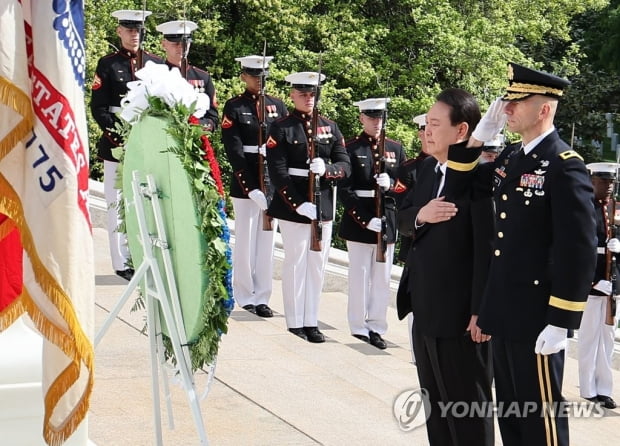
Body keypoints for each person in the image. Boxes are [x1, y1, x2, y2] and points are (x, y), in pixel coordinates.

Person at [467, 62, 597, 446]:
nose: (506, 109)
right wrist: (481, 135)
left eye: (516, 102)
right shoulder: (510, 157)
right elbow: (462, 181)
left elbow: (578, 249)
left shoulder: (564, 166)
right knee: (512, 420)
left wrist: (561, 321)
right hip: (506, 312)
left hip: (539, 317)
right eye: (507, 102)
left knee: (541, 424)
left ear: (544, 109)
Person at [397, 88, 495, 446]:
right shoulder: (425, 169)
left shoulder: (480, 180)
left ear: (461, 131)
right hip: (424, 309)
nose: (426, 131)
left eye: (435, 124)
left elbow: (488, 250)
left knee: (468, 412)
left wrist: (480, 311)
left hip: (461, 320)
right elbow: (403, 218)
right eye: (426, 124)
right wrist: (420, 217)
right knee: (436, 411)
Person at [265, 71, 351, 343]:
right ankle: (294, 321)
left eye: (312, 94)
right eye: (303, 93)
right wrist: (298, 204)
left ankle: (311, 320)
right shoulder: (281, 127)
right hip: (294, 205)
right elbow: (277, 172)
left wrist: (328, 169)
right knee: (296, 262)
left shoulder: (330, 126)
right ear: (292, 95)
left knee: (317, 265)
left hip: (323, 204)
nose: (308, 98)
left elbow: (345, 165)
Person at [91, 9, 162, 281]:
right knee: (117, 202)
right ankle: (122, 262)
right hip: (117, 144)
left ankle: (145, 255)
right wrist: (118, 137)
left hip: (148, 143)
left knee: (145, 202)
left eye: (138, 30)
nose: (134, 35)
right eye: (129, 30)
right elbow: (99, 108)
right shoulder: (108, 65)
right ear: (119, 32)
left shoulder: (155, 64)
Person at [221, 55, 289, 317]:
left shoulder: (277, 106)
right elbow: (234, 150)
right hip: (246, 181)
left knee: (267, 242)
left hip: (272, 182)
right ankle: (244, 294)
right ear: (244, 77)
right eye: (253, 75)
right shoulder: (234, 107)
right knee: (246, 240)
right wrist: (250, 187)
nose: (259, 80)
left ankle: (262, 296)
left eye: (262, 75)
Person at [338, 98, 408, 349]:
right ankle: (358, 326)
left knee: (381, 279)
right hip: (360, 221)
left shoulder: (395, 148)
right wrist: (365, 219)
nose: (376, 122)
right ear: (362, 119)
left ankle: (377, 326)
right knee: (360, 276)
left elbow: (405, 185)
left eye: (380, 118)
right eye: (371, 117)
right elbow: (345, 189)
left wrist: (392, 185)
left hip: (386, 220)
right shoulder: (350, 148)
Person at [578, 162, 620, 409]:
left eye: (612, 183)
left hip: (612, 287)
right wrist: (592, 282)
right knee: (588, 339)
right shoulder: (584, 209)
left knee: (607, 341)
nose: (609, 187)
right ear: (592, 182)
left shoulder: (614, 208)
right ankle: (587, 387)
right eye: (604, 182)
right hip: (592, 285)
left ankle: (604, 388)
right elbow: (579, 251)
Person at [155, 20, 219, 131]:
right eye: (176, 43)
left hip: (196, 139)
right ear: (164, 44)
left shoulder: (202, 77)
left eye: (185, 43)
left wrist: (196, 125)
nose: (181, 47)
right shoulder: (156, 76)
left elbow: (212, 118)